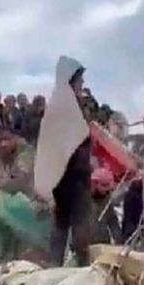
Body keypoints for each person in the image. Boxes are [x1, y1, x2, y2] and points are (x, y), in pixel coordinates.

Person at [34, 56, 94, 266]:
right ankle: (78, 269)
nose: (82, 83)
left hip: (68, 177)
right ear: (70, 80)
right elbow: (65, 143)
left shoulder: (66, 106)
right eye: (79, 80)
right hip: (71, 177)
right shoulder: (64, 107)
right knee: (76, 227)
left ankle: (58, 266)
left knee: (63, 227)